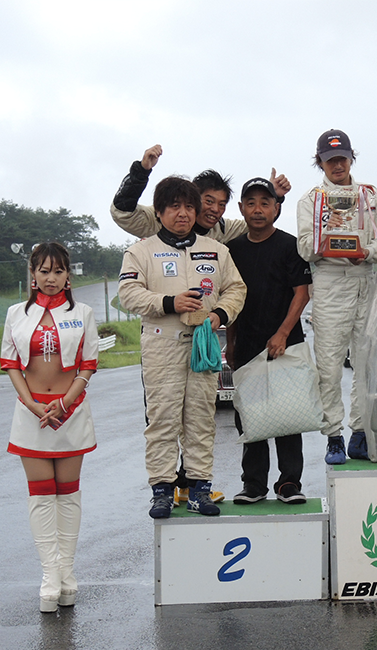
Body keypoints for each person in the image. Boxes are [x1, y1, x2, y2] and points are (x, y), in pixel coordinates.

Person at [118, 176, 246, 519]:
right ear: (159, 212)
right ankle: (162, 491)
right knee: (163, 419)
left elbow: (236, 289)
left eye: (189, 206)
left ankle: (199, 489)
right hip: (162, 342)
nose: (183, 213)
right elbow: (128, 294)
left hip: (203, 343)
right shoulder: (140, 251)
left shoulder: (216, 250)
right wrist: (169, 302)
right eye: (174, 206)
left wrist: (220, 314)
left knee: (201, 418)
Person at [2, 243, 98, 612]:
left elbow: (88, 364)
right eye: (44, 271)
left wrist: (65, 402)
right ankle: (49, 576)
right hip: (31, 414)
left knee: (68, 494)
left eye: (58, 271)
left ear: (68, 275)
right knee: (41, 496)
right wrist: (31, 404)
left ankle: (67, 575)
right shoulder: (16, 314)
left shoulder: (83, 313)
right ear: (33, 274)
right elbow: (11, 363)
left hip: (70, 412)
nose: (51, 278)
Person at [296, 129, 377, 464]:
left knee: (367, 364)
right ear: (320, 162)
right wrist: (327, 236)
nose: (337, 165)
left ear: (352, 158)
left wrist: (366, 252)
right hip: (330, 283)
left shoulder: (371, 195)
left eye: (343, 159)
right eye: (330, 160)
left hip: (366, 280)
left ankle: (360, 433)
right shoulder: (311, 200)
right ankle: (333, 436)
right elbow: (304, 248)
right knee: (329, 367)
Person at [226, 177, 311, 504]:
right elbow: (232, 299)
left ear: (276, 208)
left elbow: (301, 293)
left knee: (288, 414)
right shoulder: (233, 250)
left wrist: (283, 333)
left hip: (285, 343)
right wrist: (231, 342)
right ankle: (254, 484)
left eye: (265, 203)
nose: (258, 209)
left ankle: (289, 482)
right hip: (247, 343)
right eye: (251, 203)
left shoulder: (290, 245)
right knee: (249, 415)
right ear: (241, 209)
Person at [110, 144, 292, 243]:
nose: (215, 209)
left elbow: (257, 224)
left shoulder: (222, 228)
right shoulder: (161, 217)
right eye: (209, 201)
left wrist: (275, 196)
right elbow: (122, 213)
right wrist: (142, 172)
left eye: (222, 204)